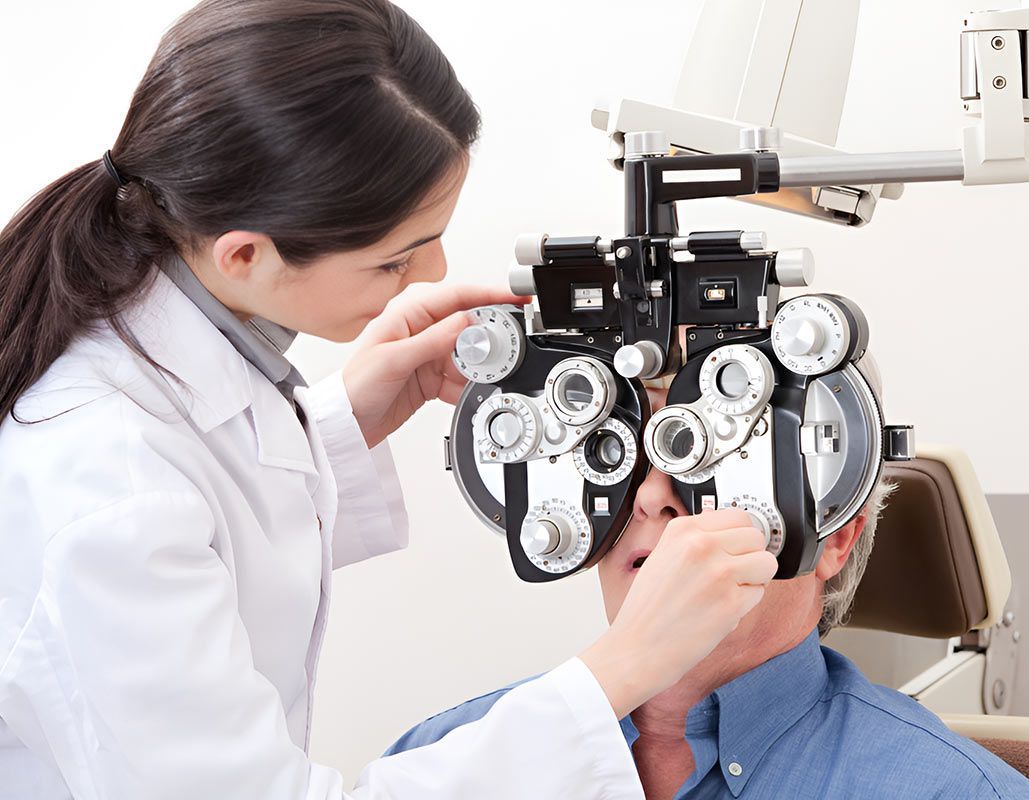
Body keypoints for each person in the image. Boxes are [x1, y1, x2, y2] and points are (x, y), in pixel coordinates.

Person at [0, 2, 779, 798]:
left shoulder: (154, 380)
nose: (436, 272)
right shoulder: (108, 488)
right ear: (244, 255)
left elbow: (213, 514)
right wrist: (623, 668)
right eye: (397, 257)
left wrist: (338, 427)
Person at [387, 382, 1029, 800]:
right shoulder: (445, 759)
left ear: (834, 539)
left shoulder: (951, 790)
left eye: (708, 455)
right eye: (619, 459)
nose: (651, 496)